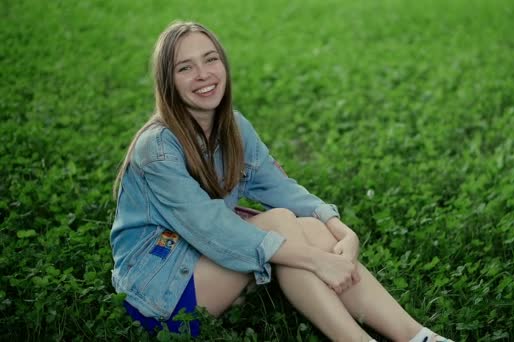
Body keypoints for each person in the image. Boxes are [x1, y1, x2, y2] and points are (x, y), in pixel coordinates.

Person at [110, 20, 453, 342]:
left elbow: (279, 187)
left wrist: (341, 228)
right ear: (167, 82)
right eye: (185, 68)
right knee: (279, 224)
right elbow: (210, 228)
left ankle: (418, 336)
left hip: (208, 267)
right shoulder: (156, 147)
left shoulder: (232, 126)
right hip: (159, 293)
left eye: (210, 59)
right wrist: (316, 260)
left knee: (315, 232)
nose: (203, 74)